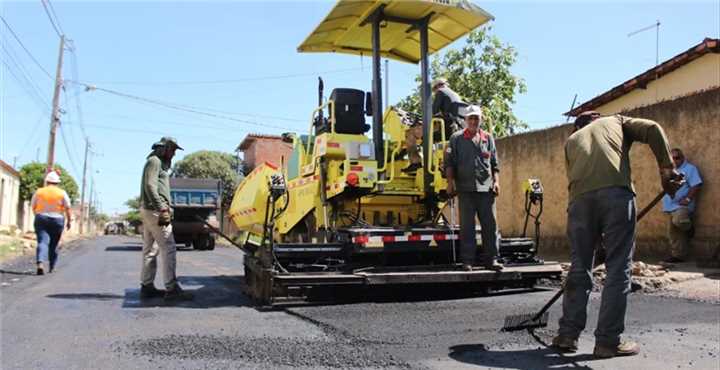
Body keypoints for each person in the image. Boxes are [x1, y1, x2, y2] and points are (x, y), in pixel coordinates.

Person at [551, 111, 682, 359]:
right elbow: (653, 126)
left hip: (579, 203)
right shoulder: (616, 121)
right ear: (597, 119)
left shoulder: (571, 141)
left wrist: (594, 240)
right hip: (615, 197)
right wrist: (666, 171)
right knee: (618, 267)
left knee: (580, 266)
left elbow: (579, 185)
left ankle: (567, 335)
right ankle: (607, 342)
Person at [444, 105, 503, 271]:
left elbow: (494, 164)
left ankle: (491, 260)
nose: (473, 121)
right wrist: (450, 183)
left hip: (486, 189)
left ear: (480, 120)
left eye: (476, 118)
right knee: (467, 227)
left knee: (490, 226)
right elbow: (449, 163)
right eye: (470, 118)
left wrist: (496, 182)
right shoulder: (456, 139)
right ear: (465, 120)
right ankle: (467, 261)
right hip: (465, 189)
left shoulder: (488, 138)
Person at [139, 136, 192, 301]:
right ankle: (172, 288)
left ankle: (147, 286)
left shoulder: (158, 162)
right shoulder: (154, 161)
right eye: (173, 150)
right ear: (165, 148)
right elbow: (150, 185)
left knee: (151, 249)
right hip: (156, 211)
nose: (174, 154)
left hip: (150, 210)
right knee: (169, 248)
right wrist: (161, 206)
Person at [403, 78, 467, 173]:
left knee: (410, 133)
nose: (435, 91)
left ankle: (416, 163)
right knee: (429, 135)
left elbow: (432, 112)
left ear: (437, 87)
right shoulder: (455, 95)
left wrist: (420, 121)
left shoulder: (441, 92)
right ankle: (434, 163)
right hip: (458, 128)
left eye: (434, 90)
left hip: (447, 128)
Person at [661, 148, 702, 263]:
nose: (674, 160)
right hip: (670, 205)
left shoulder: (690, 169)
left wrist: (688, 198)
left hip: (682, 205)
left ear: (682, 158)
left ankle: (689, 229)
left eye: (677, 158)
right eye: (672, 158)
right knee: (673, 232)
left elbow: (696, 185)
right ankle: (678, 256)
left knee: (679, 220)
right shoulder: (669, 171)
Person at [31, 171, 72, 275]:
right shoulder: (62, 193)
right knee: (53, 244)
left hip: (41, 218)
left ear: (47, 181)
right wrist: (69, 221)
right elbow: (68, 208)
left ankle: (40, 263)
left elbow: (33, 206)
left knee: (42, 242)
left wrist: (38, 215)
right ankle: (52, 267)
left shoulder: (39, 191)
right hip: (57, 220)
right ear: (57, 183)